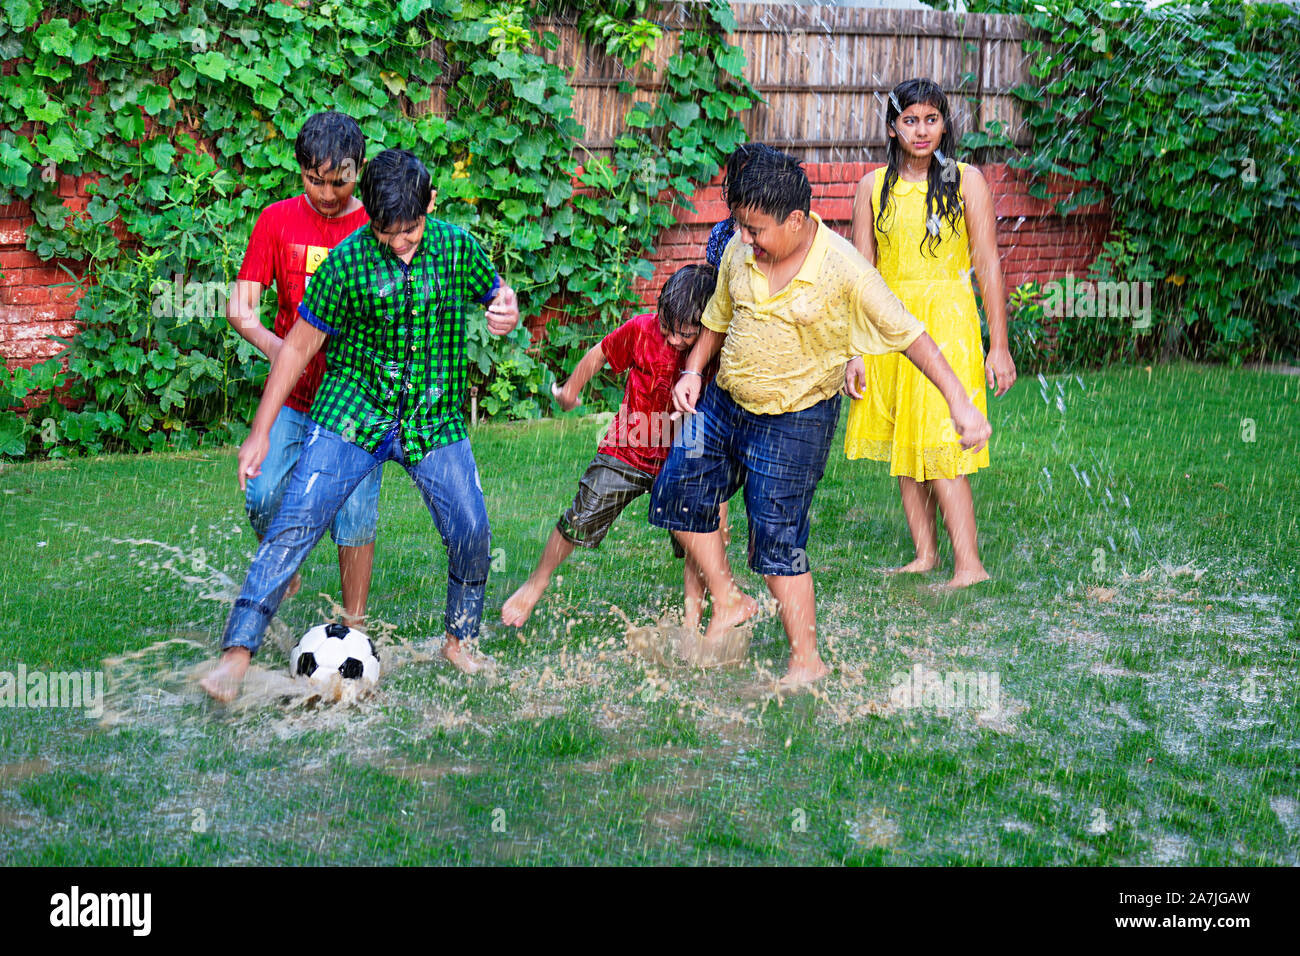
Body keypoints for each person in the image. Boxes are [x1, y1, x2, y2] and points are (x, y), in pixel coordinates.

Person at [649, 148, 991, 688]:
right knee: (675, 493)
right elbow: (717, 316)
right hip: (725, 403)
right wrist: (693, 370)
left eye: (756, 229)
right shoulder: (742, 255)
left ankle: (807, 661)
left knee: (776, 542)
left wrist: (960, 402)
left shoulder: (844, 269)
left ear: (796, 221)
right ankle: (730, 600)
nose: (745, 240)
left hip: (794, 421)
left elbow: (911, 336)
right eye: (740, 226)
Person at [202, 149, 519, 702]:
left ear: (432, 204)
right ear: (368, 213)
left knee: (471, 529)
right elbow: (298, 349)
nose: (399, 243)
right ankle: (237, 654)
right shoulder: (346, 263)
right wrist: (260, 431)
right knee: (294, 520)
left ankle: (460, 640)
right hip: (353, 410)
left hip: (433, 412)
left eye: (411, 231)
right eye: (387, 232)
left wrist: (505, 309)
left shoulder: (459, 247)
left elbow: (499, 297)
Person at [843, 78, 1017, 588]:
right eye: (910, 120)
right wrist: (855, 350)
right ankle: (925, 554)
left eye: (932, 119)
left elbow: (987, 266)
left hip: (949, 324)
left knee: (943, 440)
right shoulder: (872, 188)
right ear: (893, 127)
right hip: (890, 327)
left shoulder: (967, 182)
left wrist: (998, 346)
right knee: (907, 440)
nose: (922, 131)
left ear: (945, 123)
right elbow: (859, 276)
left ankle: (971, 565)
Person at [501, 264, 732, 632]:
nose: (673, 340)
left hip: (683, 455)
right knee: (582, 512)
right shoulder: (642, 330)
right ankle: (537, 581)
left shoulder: (714, 348)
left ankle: (693, 622)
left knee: (699, 534)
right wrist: (570, 391)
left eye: (684, 335)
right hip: (628, 448)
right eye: (668, 328)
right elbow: (599, 354)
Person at [226, 111, 381, 628]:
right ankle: (286, 565)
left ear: (358, 170)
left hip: (358, 400)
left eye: (339, 181)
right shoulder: (277, 221)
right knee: (263, 493)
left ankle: (354, 624)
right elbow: (240, 309)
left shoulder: (377, 227)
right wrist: (281, 352)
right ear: (301, 171)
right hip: (295, 397)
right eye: (315, 180)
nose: (327, 193)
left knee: (355, 512)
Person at [704, 142, 779, 268]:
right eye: (740, 179)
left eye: (752, 179)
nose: (745, 187)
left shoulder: (779, 233)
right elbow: (710, 280)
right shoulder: (721, 233)